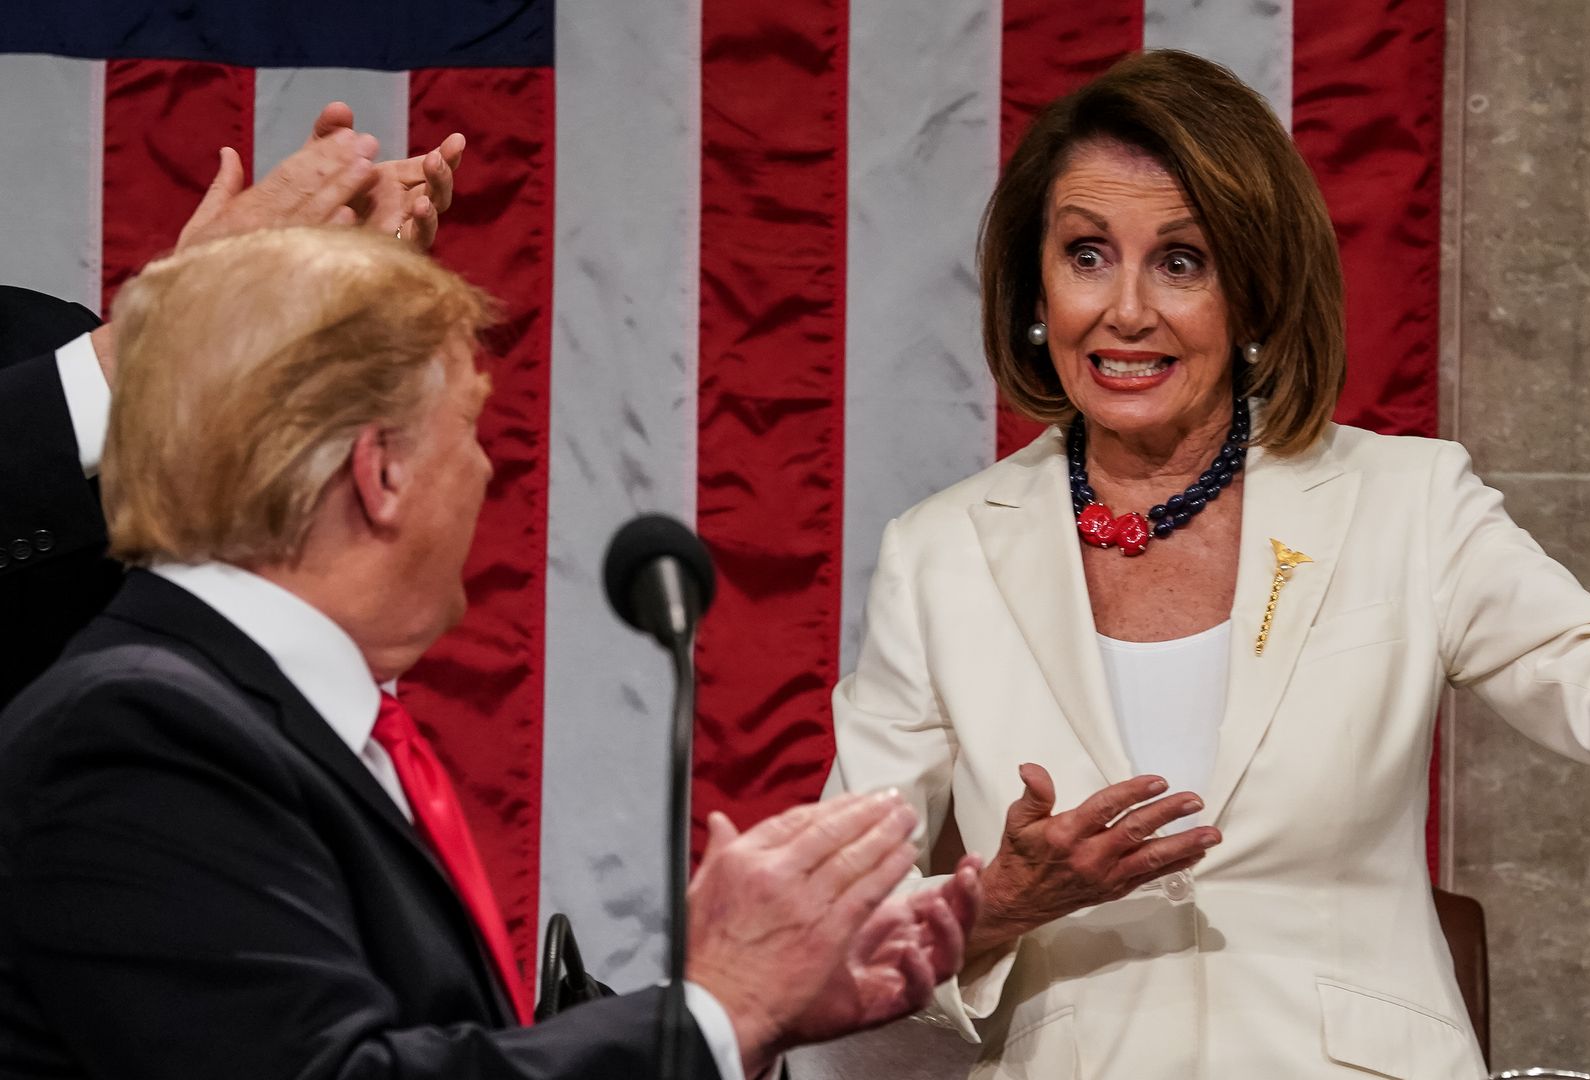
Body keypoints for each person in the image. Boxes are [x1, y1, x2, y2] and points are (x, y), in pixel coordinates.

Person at [825, 49, 1590, 1078]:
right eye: (1087, 254)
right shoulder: (944, 554)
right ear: (1034, 289)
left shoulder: (1407, 505)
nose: (1127, 311)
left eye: (1183, 261)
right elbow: (838, 935)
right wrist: (996, 905)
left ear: (1251, 293)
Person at [0, 227, 983, 1079]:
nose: (487, 469)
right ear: (378, 472)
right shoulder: (137, 736)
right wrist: (716, 1011)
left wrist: (750, 1019)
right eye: (466, 428)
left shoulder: (281, 722)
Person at [0, 101, 463, 706]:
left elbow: (219, 582)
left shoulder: (42, 334)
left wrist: (311, 322)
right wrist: (149, 347)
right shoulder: (77, 360)